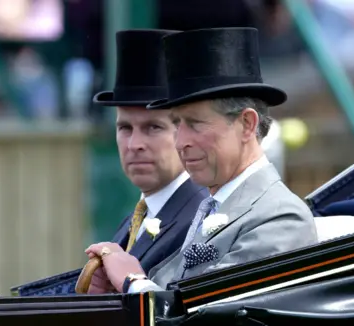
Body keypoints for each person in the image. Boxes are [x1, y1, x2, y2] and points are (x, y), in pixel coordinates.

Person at [85, 27, 318, 294]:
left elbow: (212, 314)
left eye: (195, 124)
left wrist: (132, 282)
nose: (180, 140)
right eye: (176, 123)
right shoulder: (214, 207)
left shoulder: (280, 219)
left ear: (246, 124)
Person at [12, 29, 208, 296]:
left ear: (185, 131)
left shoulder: (200, 220)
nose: (134, 144)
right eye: (125, 128)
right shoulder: (137, 219)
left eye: (153, 128)